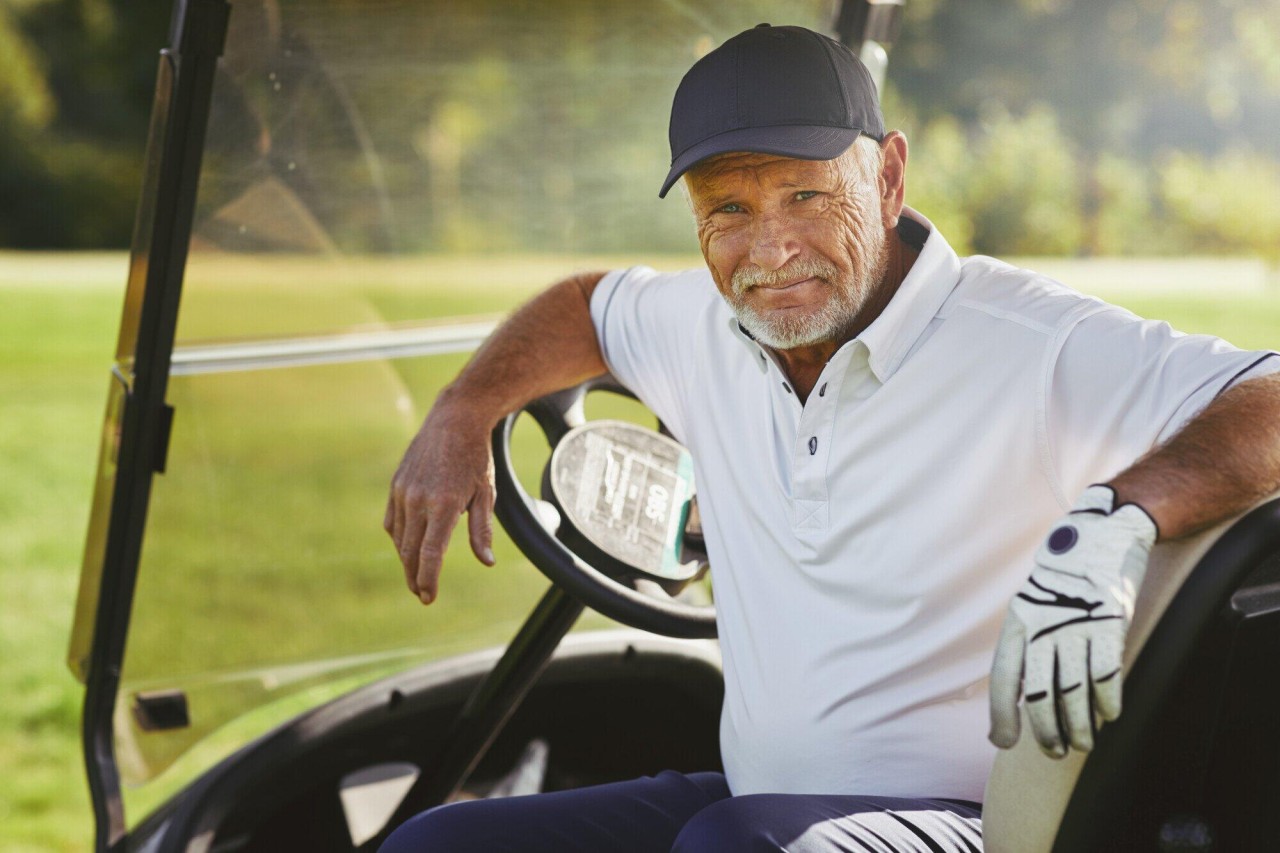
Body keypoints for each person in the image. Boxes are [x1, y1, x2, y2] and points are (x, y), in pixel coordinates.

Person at [382, 24, 1280, 852]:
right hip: (752, 804)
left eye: (805, 194)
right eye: (726, 209)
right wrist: (463, 407)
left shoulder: (1035, 346)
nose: (769, 251)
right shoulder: (701, 322)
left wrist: (1121, 516)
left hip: (975, 822)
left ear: (888, 179)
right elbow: (586, 306)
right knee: (436, 844)